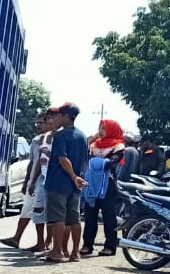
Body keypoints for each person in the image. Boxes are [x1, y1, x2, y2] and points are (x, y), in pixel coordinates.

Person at [40, 102, 88, 263]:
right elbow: (85, 160)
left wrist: (74, 176)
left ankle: (57, 251)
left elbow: (62, 159)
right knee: (74, 219)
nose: (57, 118)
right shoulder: (82, 136)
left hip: (58, 182)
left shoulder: (60, 136)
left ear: (66, 116)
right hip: (74, 186)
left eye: (60, 115)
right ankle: (75, 253)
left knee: (58, 218)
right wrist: (78, 178)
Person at [0, 111, 54, 251]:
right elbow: (32, 163)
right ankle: (17, 238)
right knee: (27, 211)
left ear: (49, 122)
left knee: (44, 213)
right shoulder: (36, 141)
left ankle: (46, 242)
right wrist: (27, 182)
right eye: (37, 123)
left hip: (46, 181)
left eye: (40, 122)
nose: (38, 126)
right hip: (33, 182)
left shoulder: (55, 140)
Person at [80, 118, 125, 256]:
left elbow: (112, 162)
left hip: (108, 185)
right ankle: (87, 244)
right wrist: (92, 138)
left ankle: (110, 246)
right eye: (100, 127)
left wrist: (95, 163)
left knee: (109, 217)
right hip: (92, 183)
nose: (101, 131)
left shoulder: (118, 145)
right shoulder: (94, 144)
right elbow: (84, 153)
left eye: (104, 128)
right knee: (90, 215)